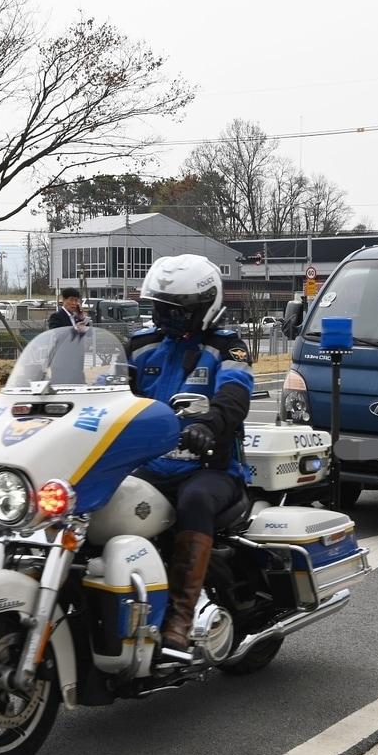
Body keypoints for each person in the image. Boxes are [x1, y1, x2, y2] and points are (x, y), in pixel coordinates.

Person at [126, 255, 253, 652]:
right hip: (148, 465)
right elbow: (107, 391)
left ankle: (180, 616)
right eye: (160, 306)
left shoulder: (226, 347)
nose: (165, 316)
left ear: (204, 307)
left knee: (195, 500)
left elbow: (235, 393)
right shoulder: (141, 345)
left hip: (210, 467)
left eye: (176, 310)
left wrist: (209, 424)